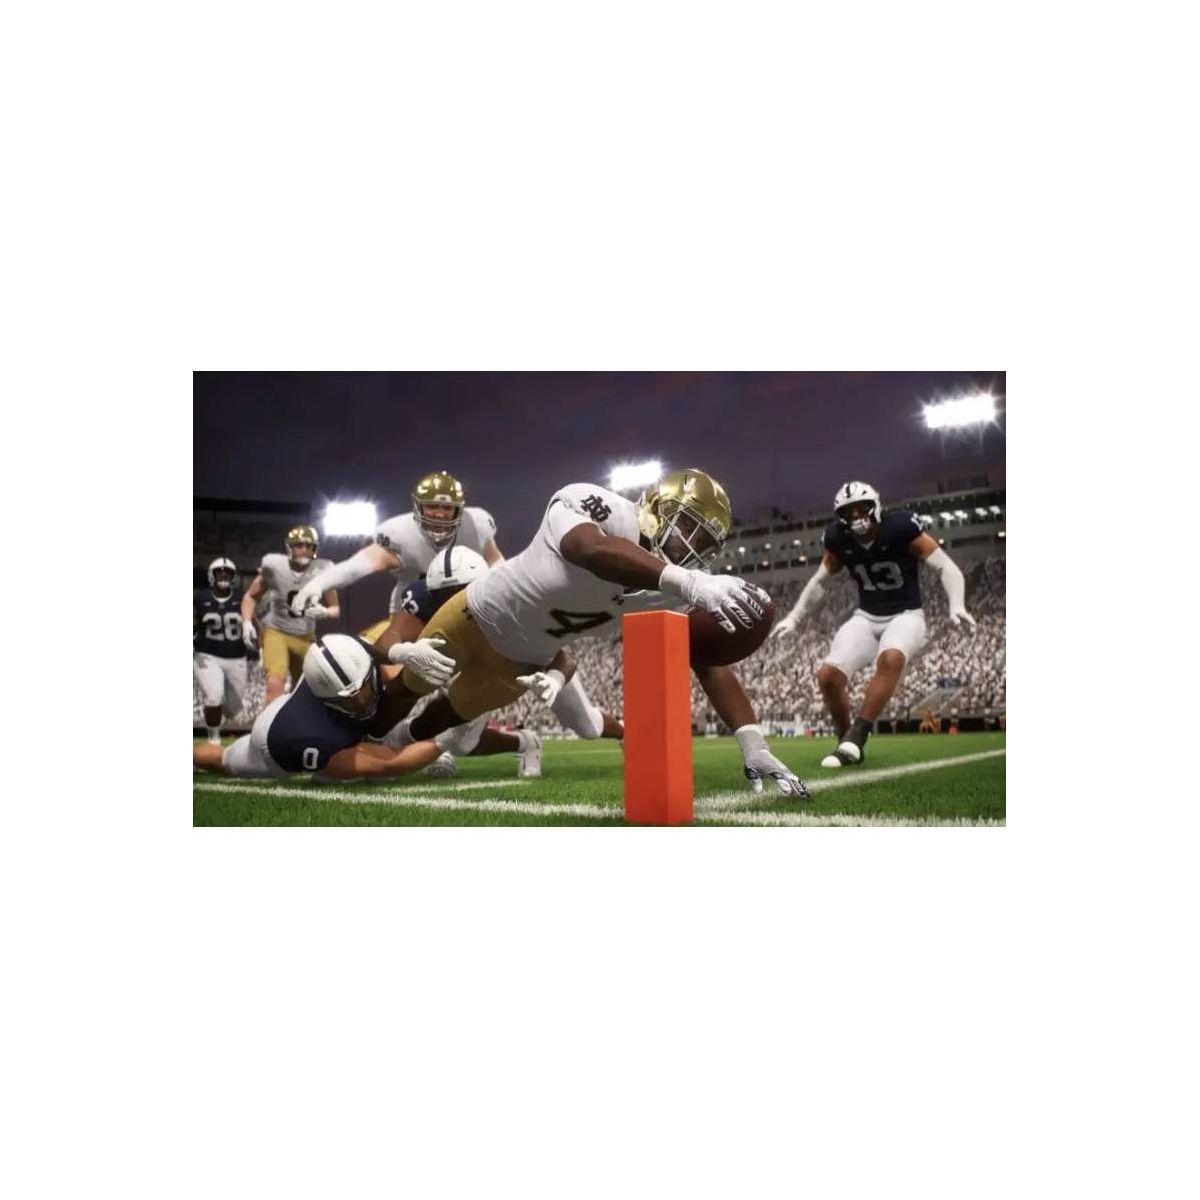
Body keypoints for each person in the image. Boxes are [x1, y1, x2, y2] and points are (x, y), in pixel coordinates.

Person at [380, 468, 806, 797]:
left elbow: (707, 660)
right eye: (687, 527)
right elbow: (588, 549)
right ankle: (367, 733)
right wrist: (687, 581)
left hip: (525, 659)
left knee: (442, 717)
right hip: (476, 612)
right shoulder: (600, 508)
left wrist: (752, 742)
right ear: (656, 507)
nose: (690, 547)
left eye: (704, 542)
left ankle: (388, 746)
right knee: (406, 687)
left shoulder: (676, 586)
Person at [771, 480, 974, 768]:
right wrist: (794, 617)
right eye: (848, 512)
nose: (856, 516)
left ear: (875, 506)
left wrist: (957, 604)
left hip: (906, 614)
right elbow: (820, 583)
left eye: (861, 508)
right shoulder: (838, 537)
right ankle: (846, 742)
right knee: (828, 676)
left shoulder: (900, 527)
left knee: (891, 657)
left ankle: (858, 735)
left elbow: (944, 565)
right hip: (866, 616)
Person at [192, 633, 452, 780]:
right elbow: (388, 764)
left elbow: (383, 659)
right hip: (273, 740)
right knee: (222, 760)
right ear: (324, 698)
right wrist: (449, 738)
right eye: (347, 700)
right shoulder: (308, 736)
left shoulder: (350, 650)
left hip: (297, 709)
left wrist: (408, 656)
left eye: (364, 689)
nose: (361, 702)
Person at [289, 471, 504, 641]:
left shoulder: (477, 526)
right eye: (432, 506)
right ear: (418, 506)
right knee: (380, 662)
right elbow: (357, 565)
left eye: (447, 507)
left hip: (465, 613)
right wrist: (318, 584)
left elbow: (496, 563)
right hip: (411, 615)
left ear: (459, 510)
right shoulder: (401, 534)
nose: (439, 513)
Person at [240, 525, 340, 706]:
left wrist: (325, 612)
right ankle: (271, 723)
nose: (304, 549)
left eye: (309, 546)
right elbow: (251, 596)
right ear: (290, 548)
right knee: (274, 684)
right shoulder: (274, 566)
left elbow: (335, 608)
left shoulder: (322, 570)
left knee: (305, 690)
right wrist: (246, 622)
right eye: (299, 545)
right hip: (277, 633)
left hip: (306, 637)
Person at [193, 556, 248, 744]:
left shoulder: (242, 597)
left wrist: (260, 643)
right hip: (207, 655)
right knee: (214, 697)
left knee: (232, 710)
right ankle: (214, 740)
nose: (223, 576)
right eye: (219, 573)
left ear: (233, 576)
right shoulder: (200, 597)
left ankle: (217, 716)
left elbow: (253, 620)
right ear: (211, 575)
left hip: (237, 656)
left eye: (227, 573)